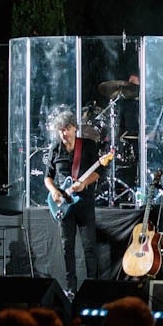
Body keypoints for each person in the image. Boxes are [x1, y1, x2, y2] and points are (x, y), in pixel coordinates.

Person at [44, 110, 107, 295]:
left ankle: (93, 288)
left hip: (85, 202)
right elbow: (48, 177)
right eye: (61, 130)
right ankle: (70, 288)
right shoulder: (55, 149)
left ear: (75, 128)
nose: (64, 133)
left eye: (67, 129)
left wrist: (83, 183)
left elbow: (98, 172)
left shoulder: (87, 146)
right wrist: (54, 191)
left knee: (89, 247)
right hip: (64, 205)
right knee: (67, 247)